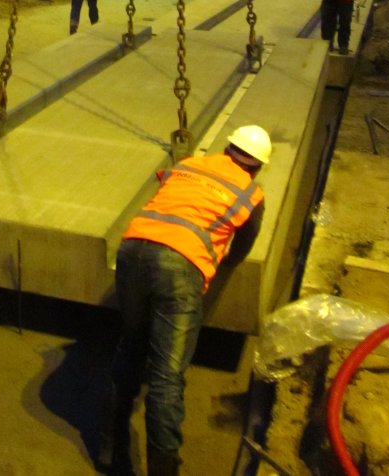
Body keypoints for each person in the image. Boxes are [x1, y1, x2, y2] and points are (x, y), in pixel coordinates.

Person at [100, 125, 271, 476]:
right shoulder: (251, 194)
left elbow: (169, 197)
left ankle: (110, 449)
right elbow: (241, 247)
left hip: (132, 250)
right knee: (165, 376)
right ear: (258, 166)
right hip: (179, 268)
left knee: (131, 346)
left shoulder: (189, 164)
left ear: (227, 149)